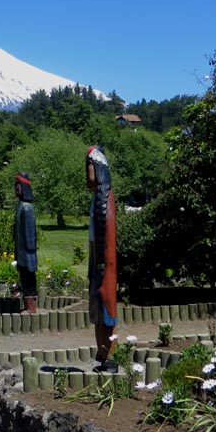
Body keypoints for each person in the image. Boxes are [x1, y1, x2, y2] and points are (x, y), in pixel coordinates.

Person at [86, 144, 119, 372]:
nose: (87, 173)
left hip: (104, 264)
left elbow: (107, 235)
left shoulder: (106, 197)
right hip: (96, 261)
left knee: (107, 309)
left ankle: (110, 357)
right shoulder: (97, 197)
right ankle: (101, 354)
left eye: (89, 166)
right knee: (98, 309)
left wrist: (103, 263)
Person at [12, 172, 38, 314]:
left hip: (27, 253)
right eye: (15, 185)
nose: (16, 188)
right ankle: (28, 306)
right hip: (21, 252)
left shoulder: (27, 208)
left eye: (19, 185)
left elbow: (30, 234)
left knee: (28, 279)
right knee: (24, 278)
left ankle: (31, 307)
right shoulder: (21, 206)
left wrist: (30, 253)